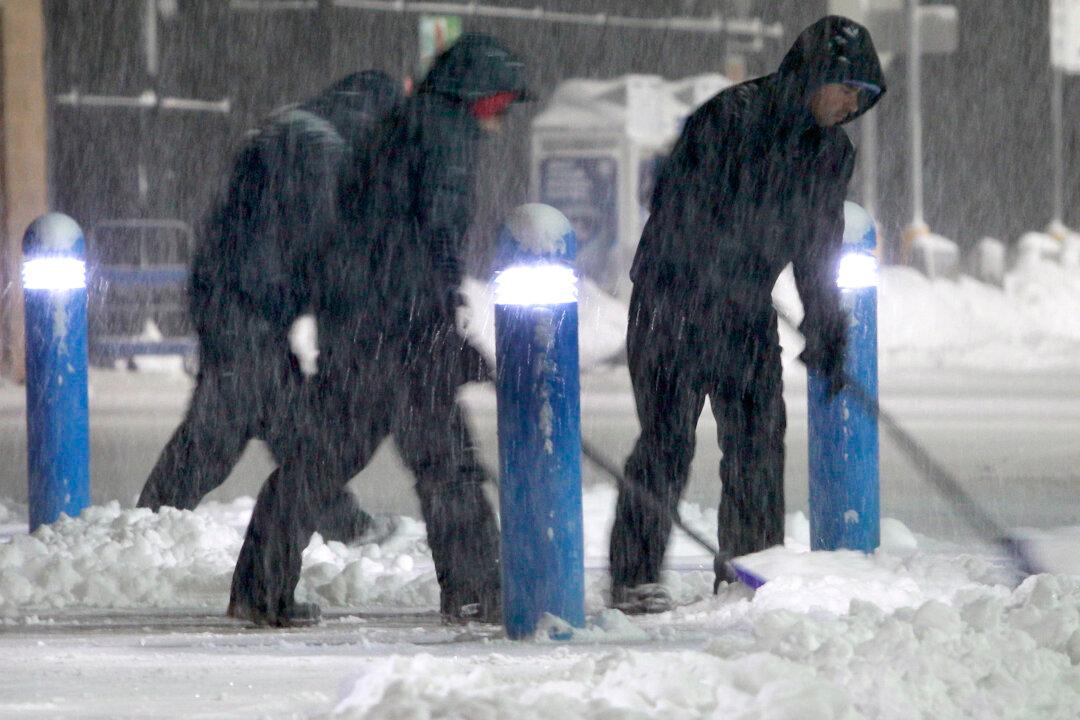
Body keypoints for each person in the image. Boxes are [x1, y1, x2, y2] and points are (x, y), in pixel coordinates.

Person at [226, 34, 533, 627]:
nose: (502, 116)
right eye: (500, 102)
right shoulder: (444, 135)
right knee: (448, 469)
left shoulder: (400, 126)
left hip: (359, 320)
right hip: (398, 326)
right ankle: (477, 598)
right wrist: (436, 325)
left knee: (321, 460)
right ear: (478, 94)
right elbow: (430, 239)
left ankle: (258, 591)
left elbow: (371, 231)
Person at [609, 16, 886, 613]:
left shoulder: (831, 152)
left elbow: (819, 243)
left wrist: (826, 322)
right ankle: (633, 578)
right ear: (815, 76)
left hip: (744, 312)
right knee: (666, 441)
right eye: (846, 89)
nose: (849, 106)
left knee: (759, 439)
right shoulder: (731, 116)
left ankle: (750, 570)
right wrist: (713, 264)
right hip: (672, 302)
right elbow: (676, 202)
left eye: (862, 98)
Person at [136, 71, 401, 545]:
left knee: (282, 416)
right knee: (226, 424)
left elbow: (265, 229)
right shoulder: (322, 150)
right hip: (247, 302)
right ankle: (150, 524)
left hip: (232, 293)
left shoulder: (290, 131)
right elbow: (319, 244)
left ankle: (338, 519)